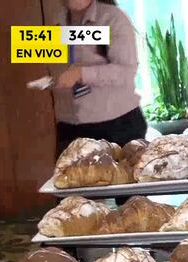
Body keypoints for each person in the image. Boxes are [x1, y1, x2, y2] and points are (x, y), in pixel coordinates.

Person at [53, 0, 146, 157]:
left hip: (116, 125)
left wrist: (82, 74)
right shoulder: (56, 20)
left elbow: (126, 71)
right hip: (70, 127)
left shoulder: (112, 18)